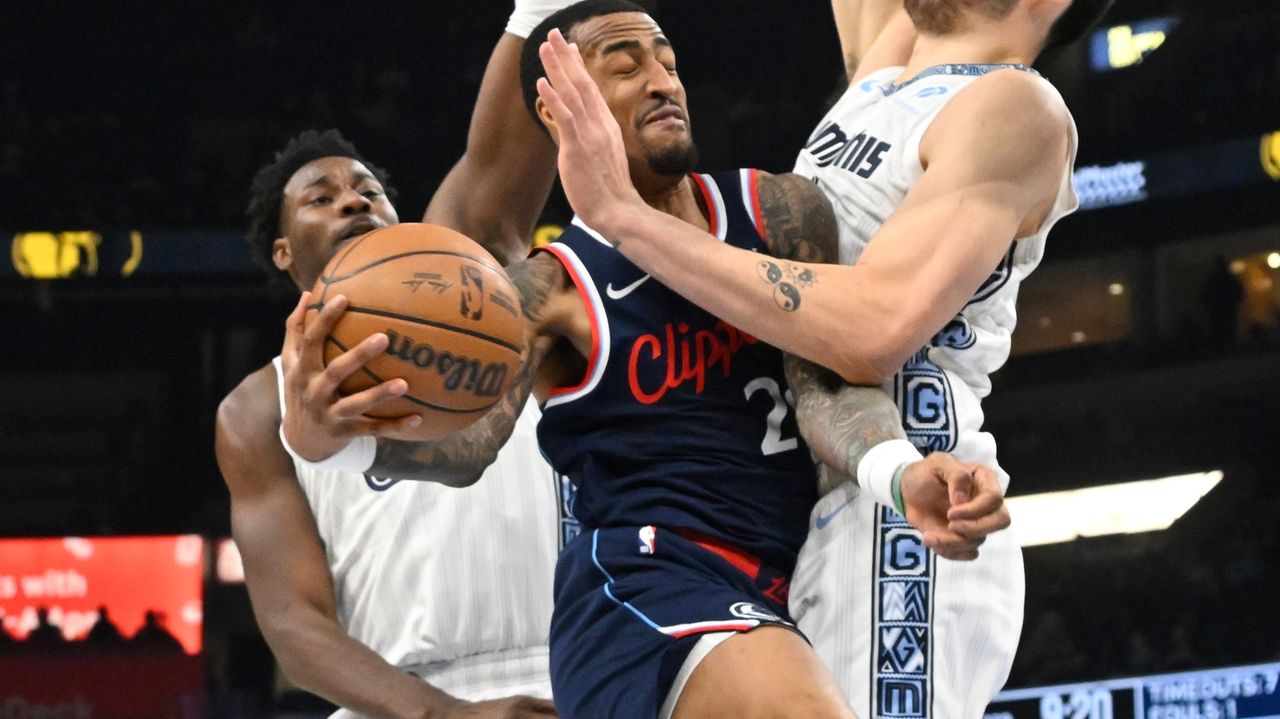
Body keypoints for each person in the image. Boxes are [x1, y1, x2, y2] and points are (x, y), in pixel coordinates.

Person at [286, 3, 1012, 717]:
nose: (663, 81)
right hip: (645, 580)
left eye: (667, 61)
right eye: (626, 67)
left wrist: (902, 472)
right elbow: (464, 448)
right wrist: (328, 443)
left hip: (790, 575)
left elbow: (825, 388)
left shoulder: (780, 211)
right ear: (561, 108)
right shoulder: (551, 287)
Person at [532, 0, 1114, 715]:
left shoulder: (1014, 105)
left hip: (910, 507)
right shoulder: (887, 74)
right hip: (810, 507)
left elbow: (873, 329)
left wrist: (623, 215)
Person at [214, 3, 578, 716]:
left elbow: (500, 152)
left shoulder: (469, 279)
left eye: (368, 190)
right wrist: (450, 715)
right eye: (322, 197)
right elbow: (294, 624)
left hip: (569, 662)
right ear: (284, 250)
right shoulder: (256, 408)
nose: (353, 200)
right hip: (405, 699)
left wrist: (539, 9)